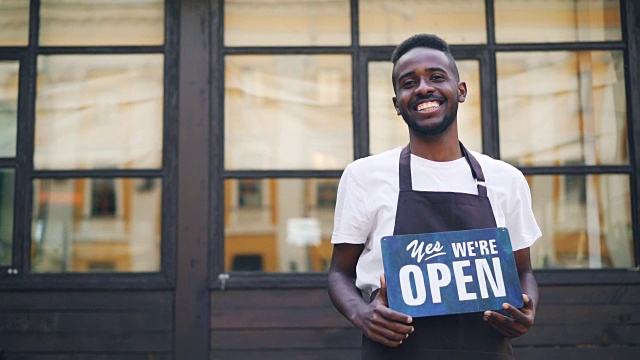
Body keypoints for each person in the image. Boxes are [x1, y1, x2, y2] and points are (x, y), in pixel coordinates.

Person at [327, 33, 541, 360]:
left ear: (460, 90)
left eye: (436, 77)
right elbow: (340, 273)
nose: (424, 88)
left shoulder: (506, 179)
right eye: (409, 82)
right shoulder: (364, 176)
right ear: (397, 103)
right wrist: (362, 314)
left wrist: (526, 309)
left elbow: (523, 271)